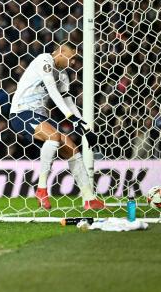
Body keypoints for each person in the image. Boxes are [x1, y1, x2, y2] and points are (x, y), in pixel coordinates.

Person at [9, 41, 104, 210]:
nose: (73, 62)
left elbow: (69, 103)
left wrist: (85, 126)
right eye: (72, 57)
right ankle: (42, 189)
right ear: (60, 51)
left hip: (40, 117)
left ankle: (89, 199)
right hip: (21, 113)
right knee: (54, 137)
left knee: (72, 148)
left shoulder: (63, 75)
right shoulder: (44, 60)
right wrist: (70, 118)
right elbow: (52, 91)